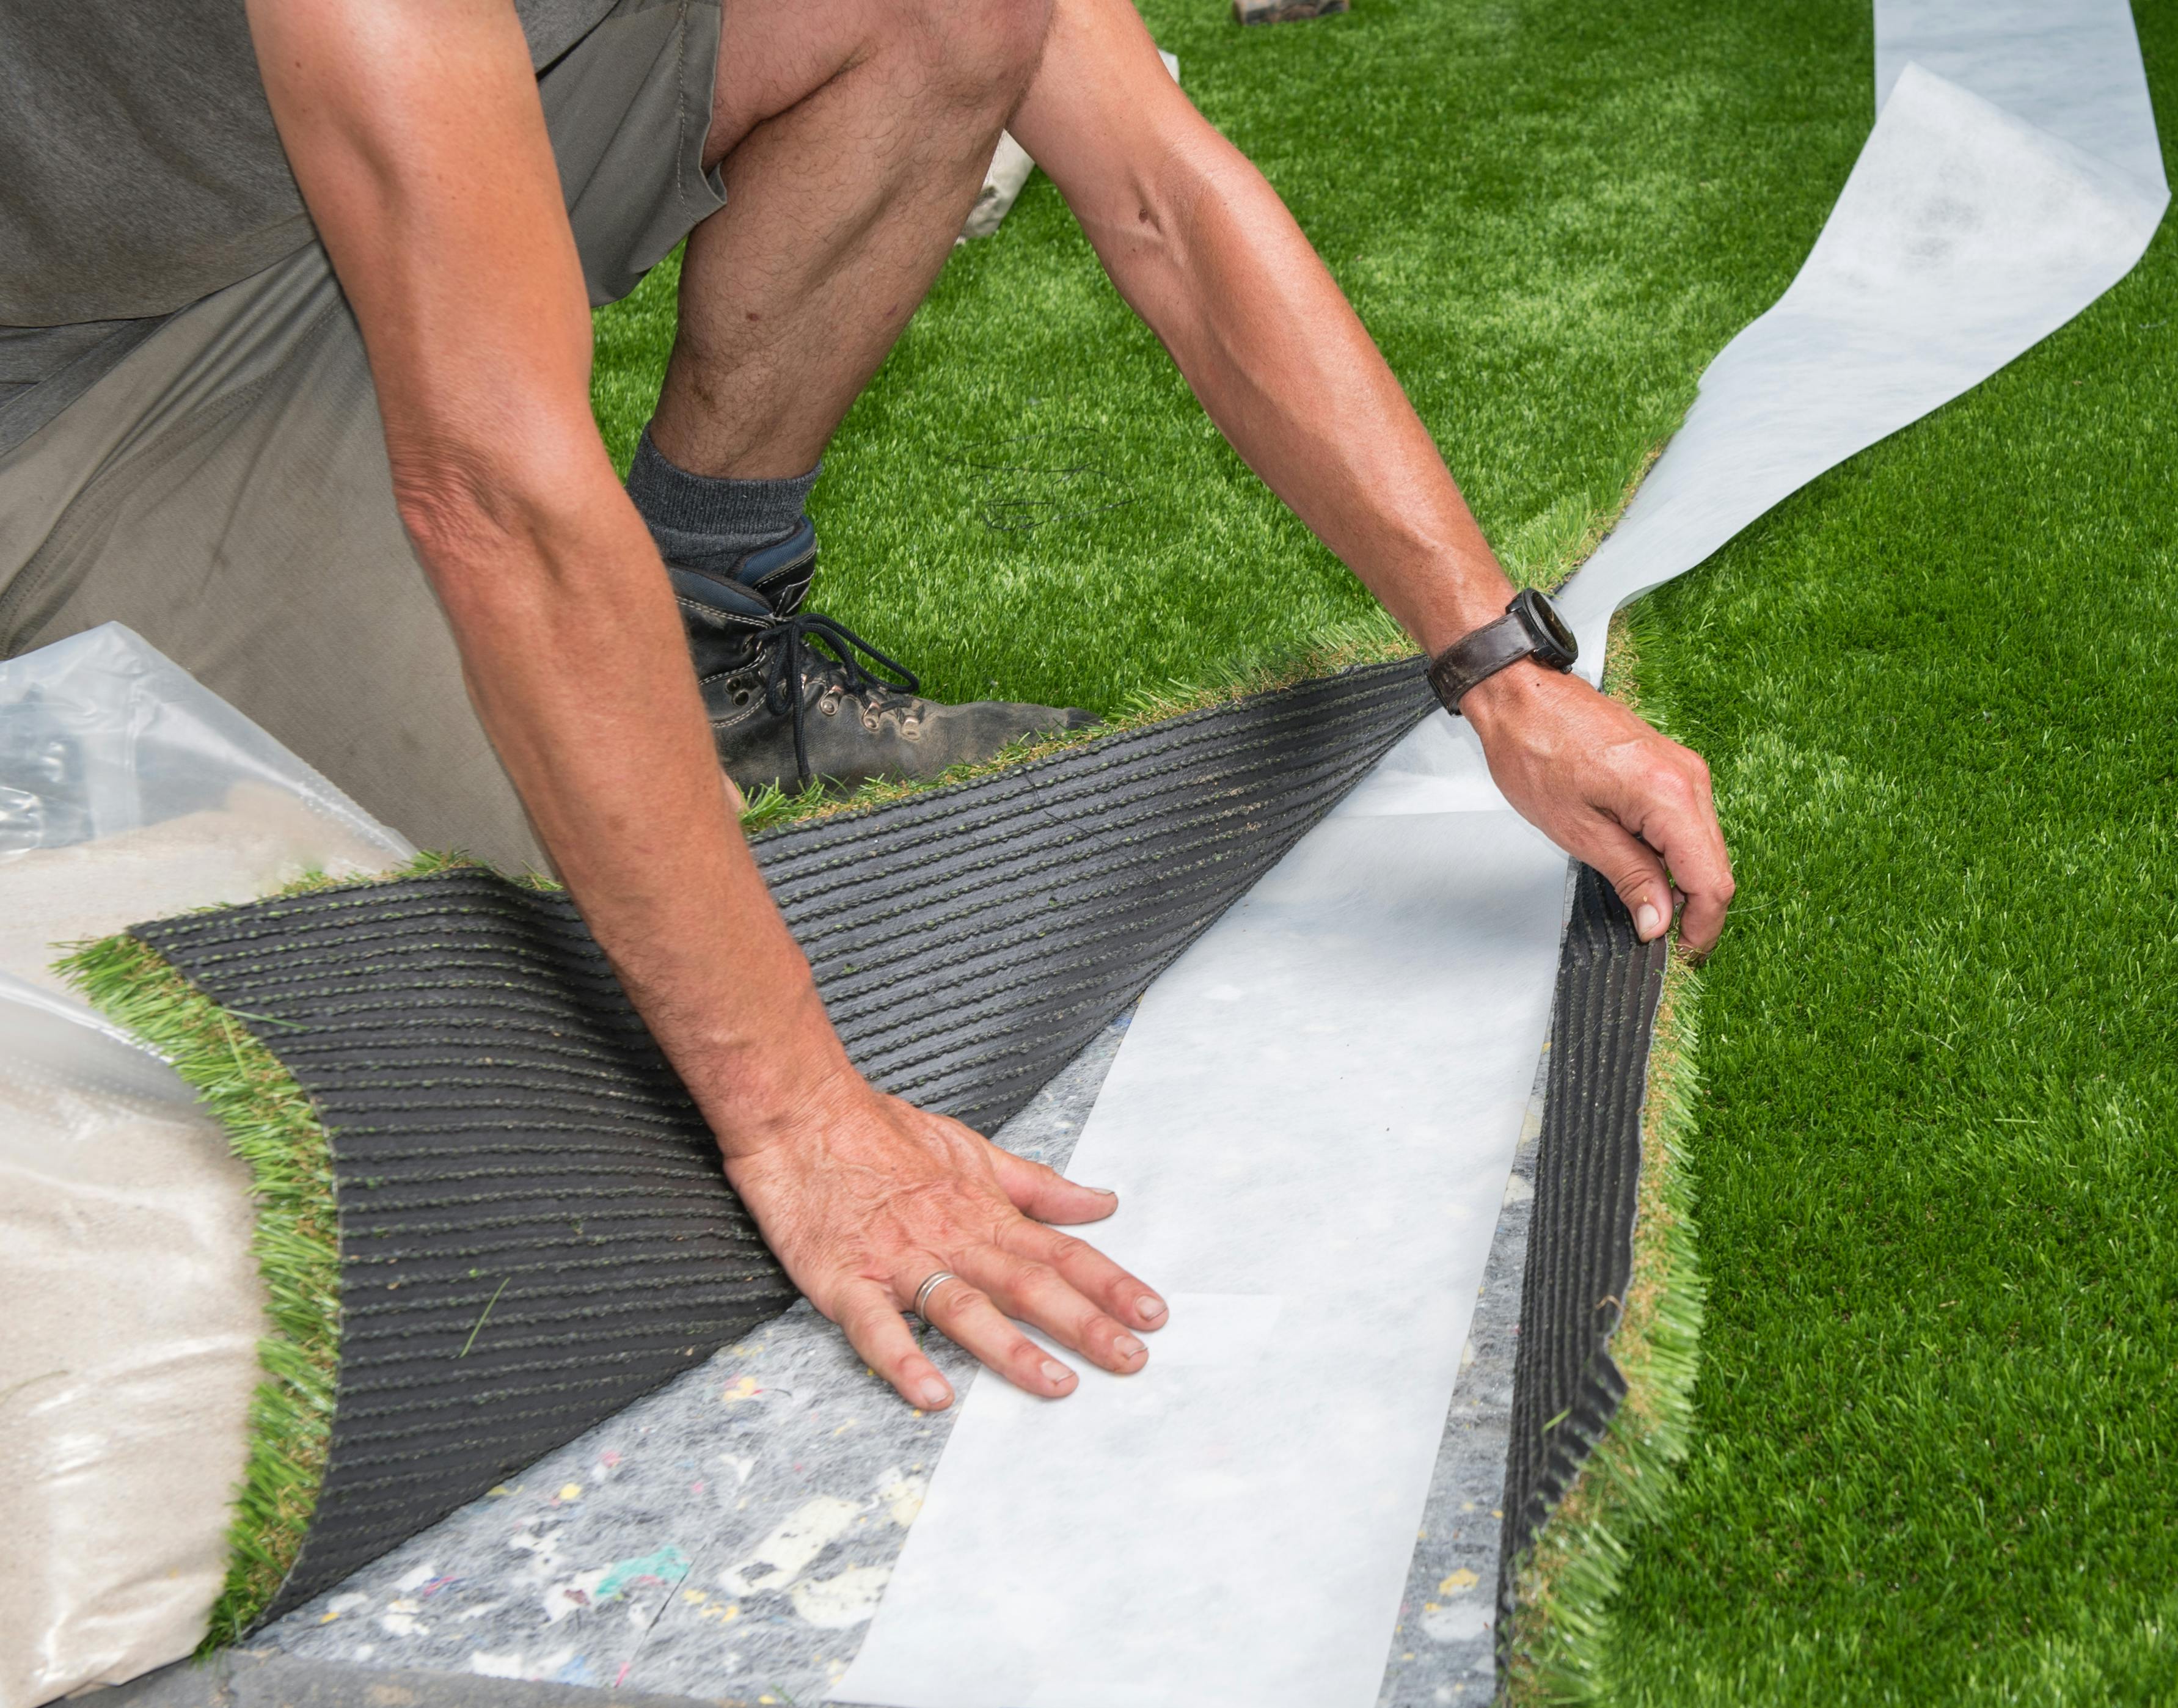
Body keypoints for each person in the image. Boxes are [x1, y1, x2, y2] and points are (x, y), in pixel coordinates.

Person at [0, 0, 1734, 1410]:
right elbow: (500, 506)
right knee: (488, 966)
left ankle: (705, 634)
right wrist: (803, 1119)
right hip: (82, 356)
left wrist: (1495, 661)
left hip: (379, 175)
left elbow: (1160, 191)